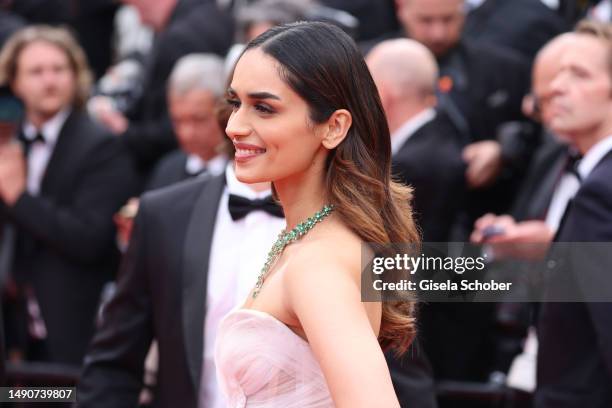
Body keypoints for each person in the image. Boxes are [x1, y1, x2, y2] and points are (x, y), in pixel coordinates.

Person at [216, 21, 419, 407]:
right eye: (235, 103)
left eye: (263, 108)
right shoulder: (306, 241)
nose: (234, 126)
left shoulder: (319, 262)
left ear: (334, 127)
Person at [78, 130, 285, 406]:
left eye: (265, 107)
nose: (241, 124)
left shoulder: (359, 224)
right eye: (237, 103)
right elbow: (115, 363)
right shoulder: (163, 214)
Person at [0, 25, 138, 364]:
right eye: (36, 71)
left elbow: (90, 237)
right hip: (16, 330)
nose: (49, 81)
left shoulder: (100, 146)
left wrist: (20, 198)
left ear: (75, 76)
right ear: (15, 82)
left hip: (73, 328)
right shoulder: (10, 144)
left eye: (59, 70)